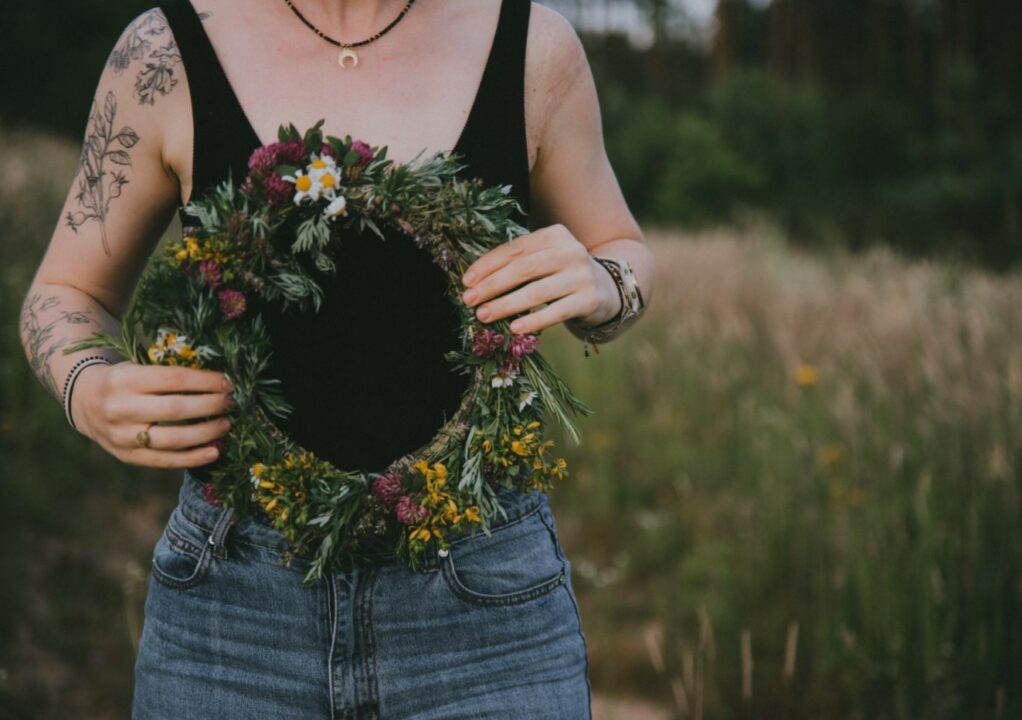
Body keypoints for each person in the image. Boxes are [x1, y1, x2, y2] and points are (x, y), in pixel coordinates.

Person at [18, 0, 655, 716]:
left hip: (485, 609)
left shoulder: (533, 47)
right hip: (232, 616)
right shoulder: (164, 54)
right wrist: (87, 387)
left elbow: (620, 246)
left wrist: (608, 284)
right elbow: (66, 293)